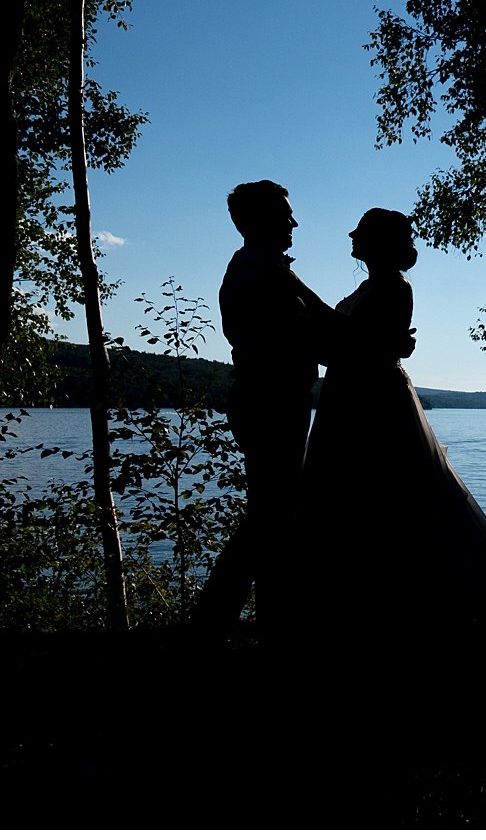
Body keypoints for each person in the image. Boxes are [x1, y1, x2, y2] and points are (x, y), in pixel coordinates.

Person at [298, 207, 486, 631]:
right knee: (355, 495)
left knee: (398, 490)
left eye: (362, 233)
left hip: (373, 400)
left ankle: (429, 600)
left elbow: (356, 342)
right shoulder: (369, 288)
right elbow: (341, 343)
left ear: (379, 242)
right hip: (349, 393)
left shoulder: (394, 286)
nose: (352, 239)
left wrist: (299, 291)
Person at [195, 179, 354, 632]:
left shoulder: (267, 268)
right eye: (285, 214)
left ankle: (266, 619)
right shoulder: (255, 272)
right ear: (260, 219)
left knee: (275, 515)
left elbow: (323, 320)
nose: (294, 221)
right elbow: (308, 335)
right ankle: (213, 622)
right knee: (271, 516)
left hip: (273, 401)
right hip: (269, 403)